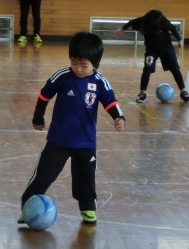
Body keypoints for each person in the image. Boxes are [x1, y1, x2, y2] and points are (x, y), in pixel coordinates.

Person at [18, 31, 125, 225]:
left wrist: (119, 116)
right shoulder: (62, 76)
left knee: (85, 178)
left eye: (84, 65)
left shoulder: (100, 82)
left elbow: (111, 101)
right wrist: (38, 117)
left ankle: (88, 209)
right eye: (74, 62)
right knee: (43, 175)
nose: (78, 68)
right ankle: (28, 207)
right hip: (58, 139)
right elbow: (44, 95)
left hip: (85, 142)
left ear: (95, 63)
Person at [114, 9, 189, 103]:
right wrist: (122, 29)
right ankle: (142, 93)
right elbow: (131, 22)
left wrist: (179, 40)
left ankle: (183, 92)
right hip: (152, 49)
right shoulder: (143, 21)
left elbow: (173, 29)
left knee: (175, 69)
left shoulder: (163, 20)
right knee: (147, 69)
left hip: (166, 48)